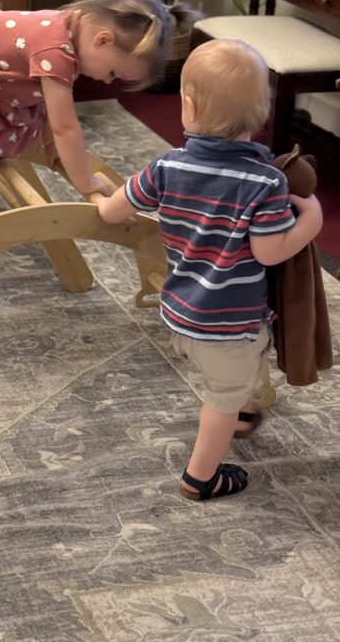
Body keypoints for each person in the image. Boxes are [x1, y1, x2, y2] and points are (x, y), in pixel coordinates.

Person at [96, 39, 323, 501]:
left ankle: (241, 413)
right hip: (228, 324)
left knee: (236, 376)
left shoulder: (165, 166)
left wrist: (102, 194)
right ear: (262, 114)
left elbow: (113, 212)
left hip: (181, 311)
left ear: (188, 108)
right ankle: (201, 477)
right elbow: (270, 253)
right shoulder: (266, 182)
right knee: (222, 398)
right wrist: (312, 221)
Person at [0, 0, 196, 196]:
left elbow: (51, 111)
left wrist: (51, 146)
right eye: (113, 73)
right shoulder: (55, 49)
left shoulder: (72, 28)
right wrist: (84, 181)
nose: (106, 81)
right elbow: (66, 127)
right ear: (103, 40)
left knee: (12, 134)